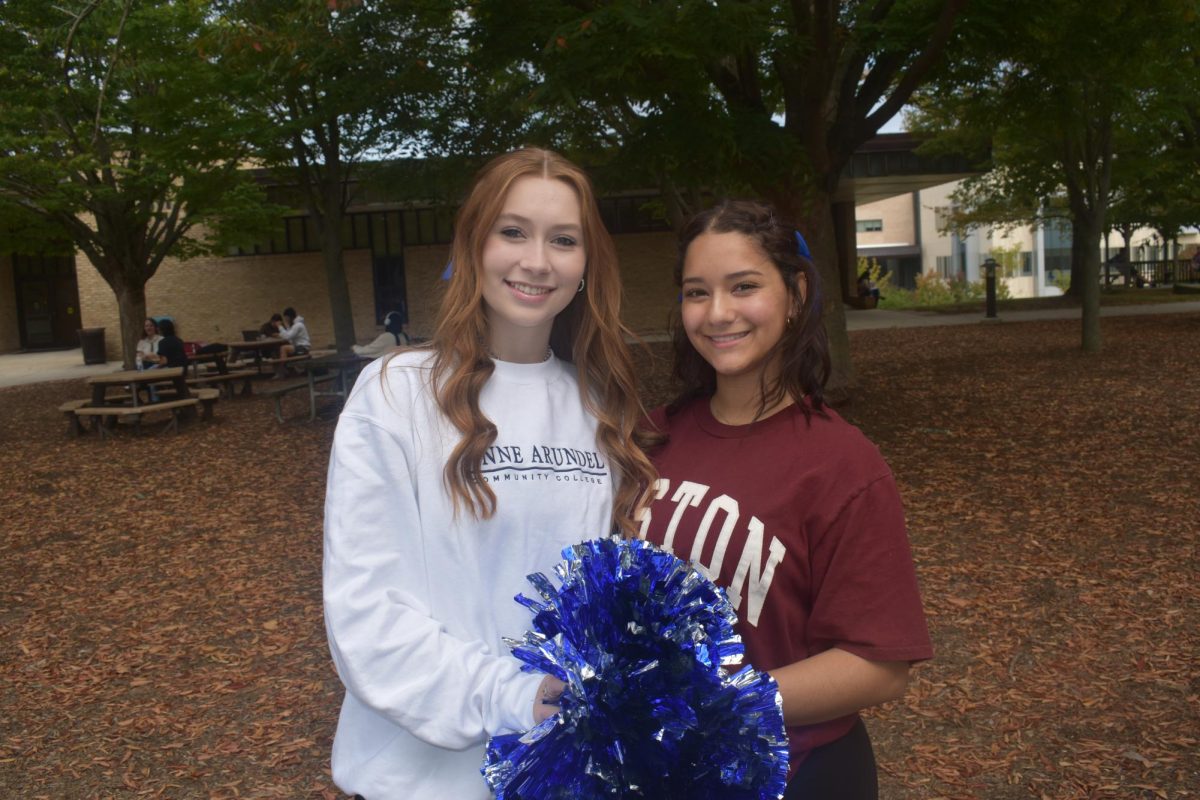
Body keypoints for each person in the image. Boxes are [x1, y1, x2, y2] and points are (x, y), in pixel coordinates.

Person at [322, 147, 656, 800]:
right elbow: (368, 616)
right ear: (475, 244)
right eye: (513, 232)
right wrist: (522, 696)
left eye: (563, 240)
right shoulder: (395, 392)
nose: (537, 261)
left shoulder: (599, 405)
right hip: (418, 784)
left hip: (564, 778)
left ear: (586, 265)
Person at [638, 200, 932, 800]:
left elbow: (879, 664)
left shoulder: (843, 465)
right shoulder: (647, 436)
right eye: (697, 292)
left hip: (793, 773)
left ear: (796, 293)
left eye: (743, 286)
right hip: (657, 774)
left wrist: (718, 700)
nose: (717, 313)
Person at [273, 307, 310, 376]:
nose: (285, 320)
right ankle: (287, 370)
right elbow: (289, 336)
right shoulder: (294, 325)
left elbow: (288, 336)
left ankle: (282, 371)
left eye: (286, 317)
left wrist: (280, 327)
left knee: (283, 348)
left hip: (303, 348)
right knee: (277, 350)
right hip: (299, 347)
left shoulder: (298, 325)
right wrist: (284, 329)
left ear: (289, 317)